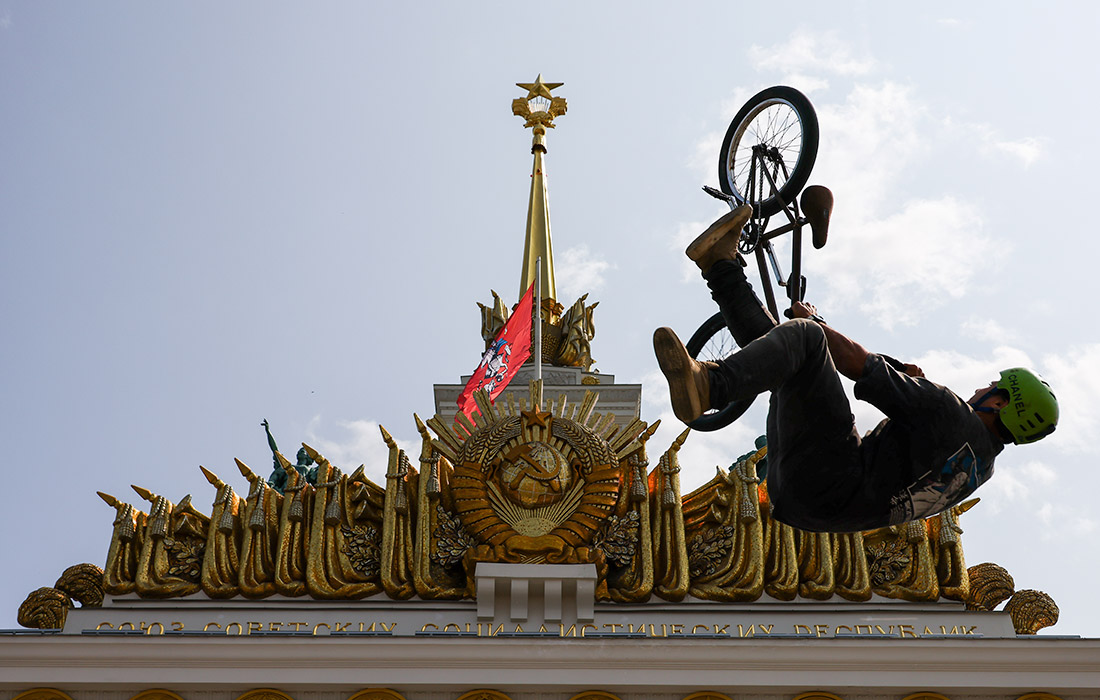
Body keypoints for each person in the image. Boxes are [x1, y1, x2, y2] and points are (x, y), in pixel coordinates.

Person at [653, 203, 1058, 533]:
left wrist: (815, 322)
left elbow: (857, 363)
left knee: (806, 339)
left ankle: (710, 385)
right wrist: (912, 390)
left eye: (991, 387)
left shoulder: (952, 413)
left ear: (1001, 403)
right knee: (786, 360)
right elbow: (913, 451)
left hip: (831, 471)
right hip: (804, 501)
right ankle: (720, 264)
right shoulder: (979, 469)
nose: (981, 389)